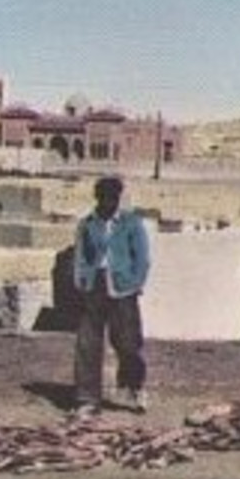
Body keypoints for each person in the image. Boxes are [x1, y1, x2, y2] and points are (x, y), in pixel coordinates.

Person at [72, 175, 151, 418]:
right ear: (98, 199)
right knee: (88, 344)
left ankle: (135, 387)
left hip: (122, 288)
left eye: (113, 199)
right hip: (94, 286)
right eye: (105, 198)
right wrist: (81, 281)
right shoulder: (87, 224)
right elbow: (81, 256)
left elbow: (142, 258)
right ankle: (87, 399)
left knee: (128, 343)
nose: (109, 203)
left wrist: (136, 283)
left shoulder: (131, 222)